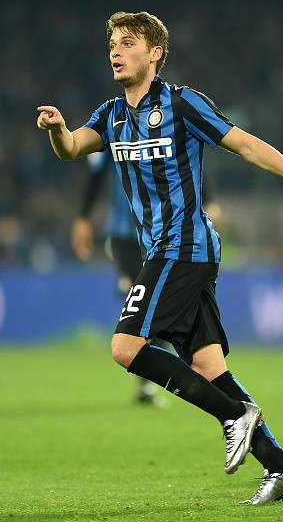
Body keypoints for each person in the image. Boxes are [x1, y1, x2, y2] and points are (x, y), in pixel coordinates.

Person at [37, 10, 283, 505]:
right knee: (207, 366)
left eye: (128, 42)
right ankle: (282, 469)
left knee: (125, 347)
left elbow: (243, 144)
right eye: (112, 42)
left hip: (184, 248)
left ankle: (234, 416)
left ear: (155, 53)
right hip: (163, 250)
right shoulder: (110, 114)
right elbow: (71, 148)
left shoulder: (182, 104)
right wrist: (55, 128)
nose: (115, 50)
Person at [71, 152, 167, 406]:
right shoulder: (112, 126)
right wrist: (83, 218)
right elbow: (96, 174)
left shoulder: (161, 126)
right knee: (145, 302)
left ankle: (150, 382)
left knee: (157, 302)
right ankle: (147, 383)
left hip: (159, 232)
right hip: (124, 235)